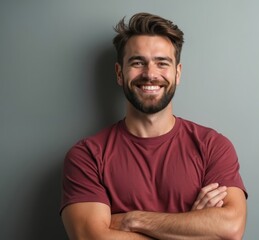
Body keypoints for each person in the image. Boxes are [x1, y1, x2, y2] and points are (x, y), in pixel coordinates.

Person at [60, 12, 247, 240]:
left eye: (162, 63)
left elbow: (231, 228)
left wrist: (131, 220)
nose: (150, 74)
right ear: (120, 73)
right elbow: (91, 237)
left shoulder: (212, 146)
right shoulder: (87, 156)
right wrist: (191, 226)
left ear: (177, 73)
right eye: (138, 63)